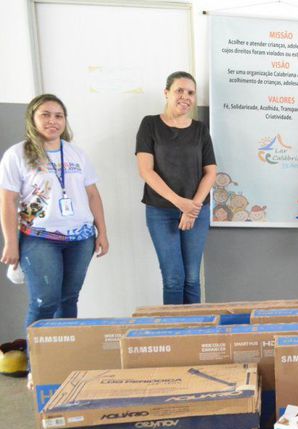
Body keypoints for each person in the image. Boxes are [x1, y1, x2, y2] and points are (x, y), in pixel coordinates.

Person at [0, 94, 109, 331]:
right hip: (39, 238)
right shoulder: (16, 155)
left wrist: (102, 232)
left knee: (69, 299)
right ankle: (37, 355)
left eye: (59, 116)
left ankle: (64, 351)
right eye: (45, 115)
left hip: (81, 239)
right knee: (45, 301)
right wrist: (10, 242)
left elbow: (93, 195)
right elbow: (8, 201)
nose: (53, 121)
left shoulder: (77, 154)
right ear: (32, 118)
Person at [136, 71, 217, 305]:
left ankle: (196, 325)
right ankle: (173, 327)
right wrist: (180, 203)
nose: (185, 96)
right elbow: (146, 171)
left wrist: (192, 208)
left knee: (192, 278)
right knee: (173, 278)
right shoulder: (150, 124)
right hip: (161, 211)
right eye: (179, 90)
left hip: (197, 211)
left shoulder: (200, 130)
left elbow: (211, 172)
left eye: (190, 92)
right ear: (166, 93)